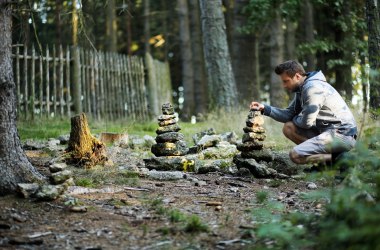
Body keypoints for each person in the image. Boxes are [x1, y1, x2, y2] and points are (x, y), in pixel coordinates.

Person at [250, 60, 357, 164]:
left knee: (295, 155)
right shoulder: (302, 88)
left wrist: (294, 118)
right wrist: (265, 108)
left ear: (297, 76)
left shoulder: (312, 88)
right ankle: (331, 161)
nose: (284, 85)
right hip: (327, 132)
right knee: (289, 127)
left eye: (286, 81)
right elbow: (289, 114)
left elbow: (306, 123)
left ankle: (341, 159)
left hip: (342, 135)